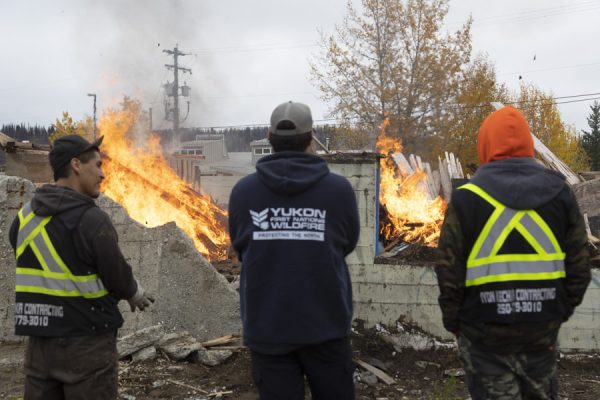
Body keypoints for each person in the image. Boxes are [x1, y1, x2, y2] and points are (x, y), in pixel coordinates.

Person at [435, 106, 591, 399]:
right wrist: (555, 314)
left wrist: (455, 324)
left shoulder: (467, 198)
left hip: (483, 339)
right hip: (541, 335)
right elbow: (580, 268)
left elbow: (448, 271)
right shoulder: (560, 194)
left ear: (485, 144)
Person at [228, 101, 360, 399]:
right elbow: (347, 243)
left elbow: (240, 246)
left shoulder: (243, 193)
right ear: (311, 137)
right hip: (326, 327)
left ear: (269, 137)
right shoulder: (338, 191)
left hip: (268, 328)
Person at [9, 134, 155, 400]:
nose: (102, 174)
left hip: (39, 345)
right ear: (76, 165)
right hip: (87, 346)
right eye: (97, 165)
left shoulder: (23, 218)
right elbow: (117, 276)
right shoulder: (92, 220)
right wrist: (134, 293)